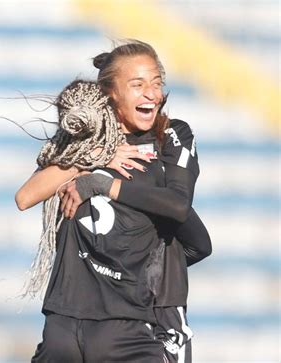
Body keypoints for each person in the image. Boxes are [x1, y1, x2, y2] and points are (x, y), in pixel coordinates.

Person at [15, 40, 211, 362]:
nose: (152, 93)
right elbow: (26, 196)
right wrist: (95, 158)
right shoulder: (84, 143)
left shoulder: (170, 136)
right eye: (138, 85)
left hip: (152, 308)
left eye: (157, 83)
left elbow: (178, 206)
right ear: (110, 94)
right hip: (75, 316)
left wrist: (102, 184)